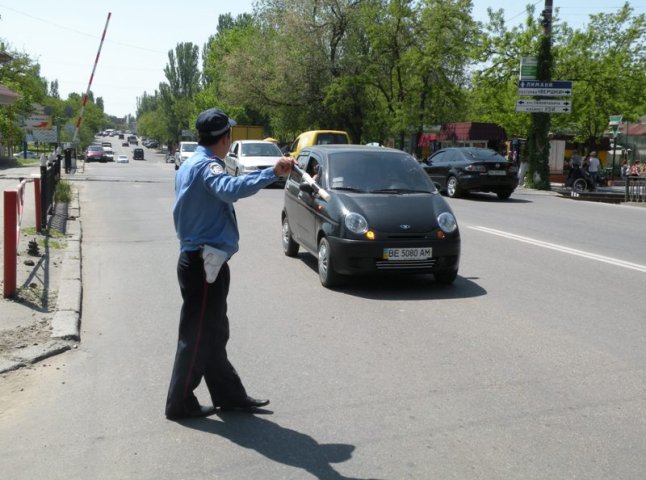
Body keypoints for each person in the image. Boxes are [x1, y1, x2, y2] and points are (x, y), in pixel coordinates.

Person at [165, 108, 295, 420]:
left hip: (204, 260)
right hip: (203, 263)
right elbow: (229, 190)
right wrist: (272, 172)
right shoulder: (208, 167)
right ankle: (179, 403)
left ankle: (229, 395)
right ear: (225, 138)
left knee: (213, 332)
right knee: (197, 336)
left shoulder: (192, 163)